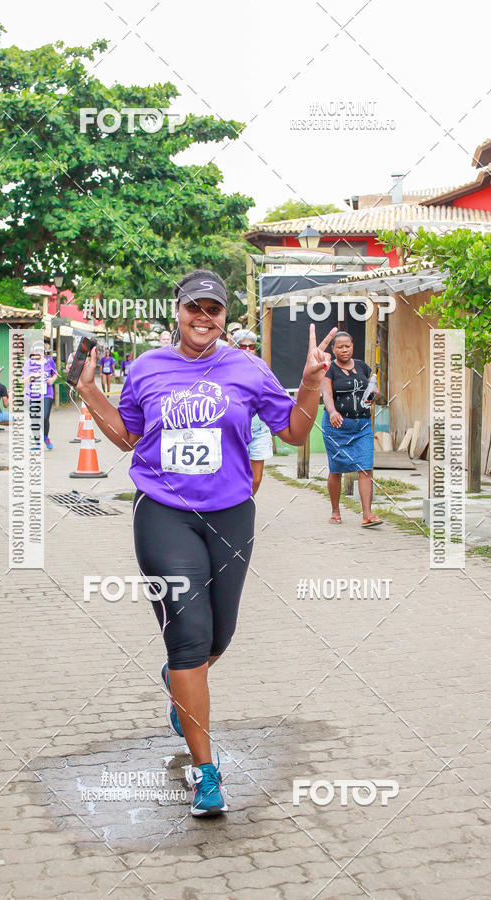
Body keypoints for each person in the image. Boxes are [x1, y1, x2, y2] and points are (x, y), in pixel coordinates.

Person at [75, 268, 336, 818]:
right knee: (189, 637)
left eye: (213, 310)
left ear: (224, 316)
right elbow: (128, 436)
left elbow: (291, 431)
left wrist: (310, 382)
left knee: (221, 633)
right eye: (194, 307)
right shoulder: (148, 368)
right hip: (164, 515)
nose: (203, 318)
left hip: (231, 515)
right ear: (178, 310)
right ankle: (207, 772)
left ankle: (179, 684)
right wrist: (92, 393)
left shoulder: (247, 368)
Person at [321, 331, 383, 527]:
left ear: (352, 346)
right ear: (333, 349)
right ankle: (335, 510)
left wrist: (374, 395)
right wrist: (332, 411)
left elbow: (375, 390)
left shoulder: (363, 367)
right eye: (340, 347)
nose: (344, 349)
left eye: (347, 346)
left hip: (362, 425)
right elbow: (327, 394)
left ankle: (367, 514)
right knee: (336, 469)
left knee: (365, 468)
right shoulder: (329, 370)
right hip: (337, 427)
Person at [233, 328, 273, 494]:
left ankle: (246, 504)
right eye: (243, 347)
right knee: (236, 476)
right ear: (234, 347)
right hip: (234, 430)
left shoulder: (262, 368)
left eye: (251, 347)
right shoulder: (225, 369)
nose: (248, 350)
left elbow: (272, 398)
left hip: (259, 428)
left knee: (256, 478)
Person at [22, 343, 58, 449]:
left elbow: (55, 373)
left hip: (47, 393)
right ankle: (37, 442)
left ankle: (46, 437)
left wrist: (52, 379)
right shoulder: (28, 363)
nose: (39, 353)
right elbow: (23, 381)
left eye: (41, 351)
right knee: (34, 418)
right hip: (32, 394)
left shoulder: (49, 361)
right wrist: (33, 375)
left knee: (44, 416)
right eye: (36, 351)